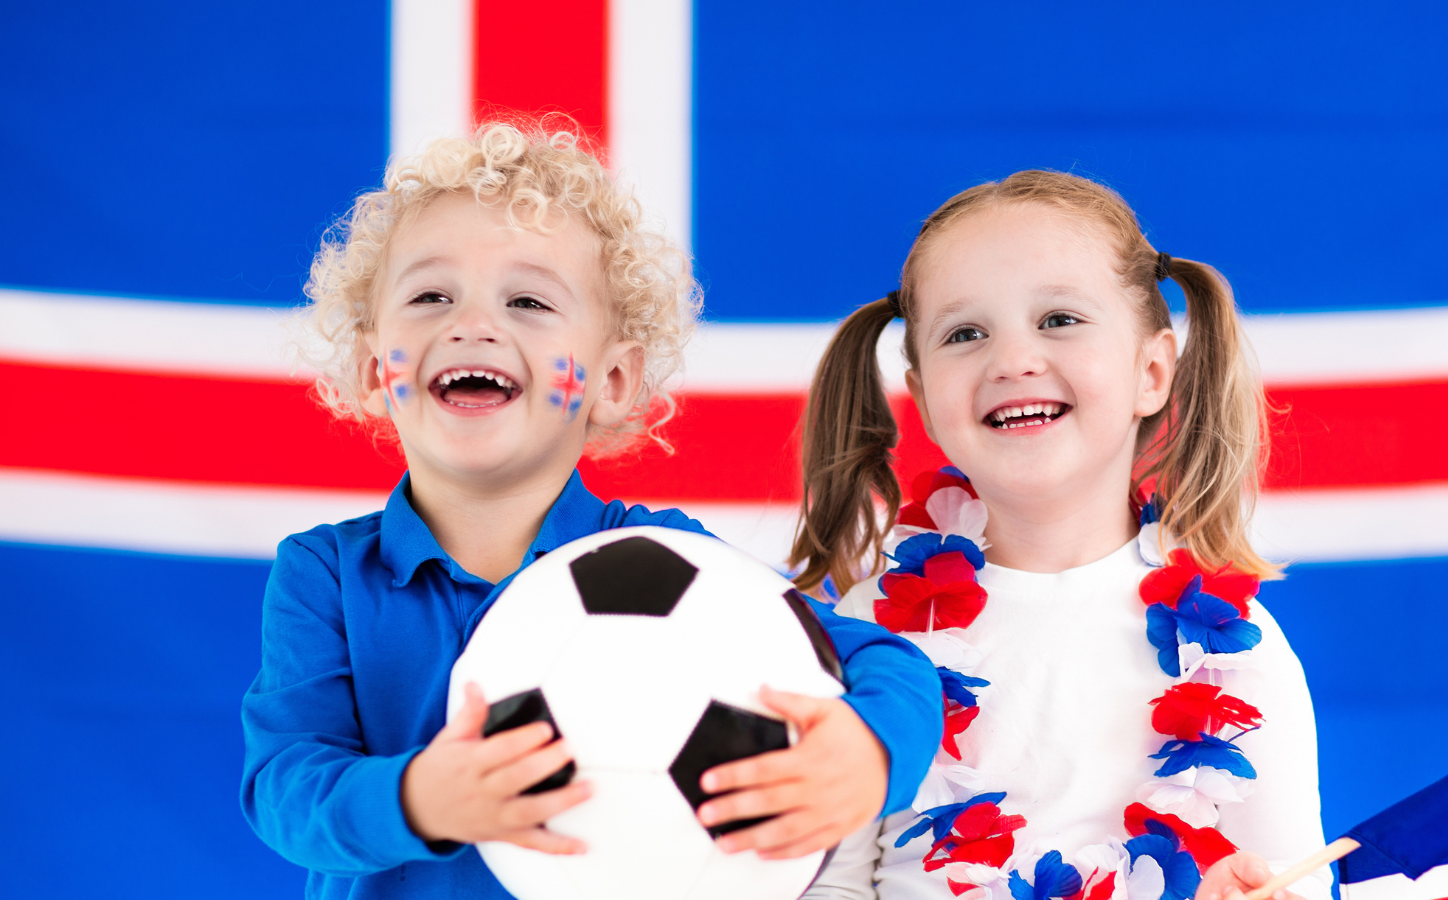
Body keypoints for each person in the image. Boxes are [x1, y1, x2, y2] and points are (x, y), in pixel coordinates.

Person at [240, 121, 942, 900]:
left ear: (612, 381)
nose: (472, 323)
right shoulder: (329, 576)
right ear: (376, 369)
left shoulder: (667, 561)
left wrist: (867, 748)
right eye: (431, 294)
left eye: (530, 300)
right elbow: (284, 787)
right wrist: (420, 798)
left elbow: (883, 661)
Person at [791, 170, 1329, 900]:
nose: (1012, 359)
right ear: (922, 397)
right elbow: (826, 884)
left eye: (1059, 320)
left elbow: (1292, 881)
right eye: (965, 333)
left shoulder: (1239, 658)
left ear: (1151, 371)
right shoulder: (868, 634)